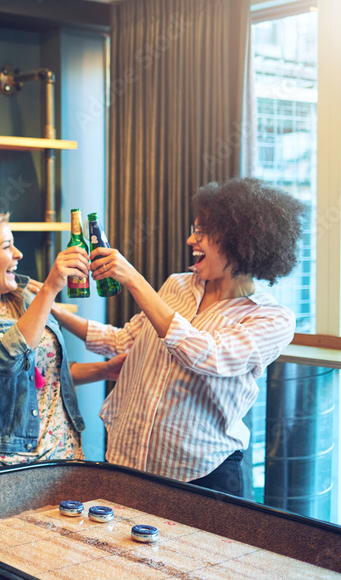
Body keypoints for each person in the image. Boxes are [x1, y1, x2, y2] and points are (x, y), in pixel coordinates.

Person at [51, 177, 306, 497]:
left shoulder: (271, 319)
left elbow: (205, 354)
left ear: (242, 240)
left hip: (201, 475)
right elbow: (124, 340)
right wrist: (52, 307)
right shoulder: (177, 286)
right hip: (126, 457)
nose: (190, 239)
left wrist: (133, 279)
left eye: (202, 232)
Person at [0, 207, 123, 471]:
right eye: (7, 246)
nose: (19, 254)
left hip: (66, 452)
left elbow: (46, 375)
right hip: (6, 466)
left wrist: (107, 369)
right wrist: (51, 289)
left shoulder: (28, 299)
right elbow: (5, 360)